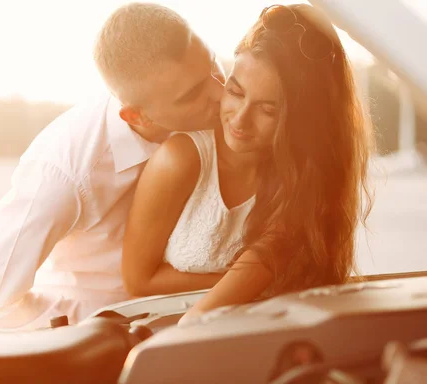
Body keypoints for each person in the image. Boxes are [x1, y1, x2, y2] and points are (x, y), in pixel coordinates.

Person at [0, 2, 226, 331]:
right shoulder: (62, 174)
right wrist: (87, 328)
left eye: (213, 66)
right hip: (112, 335)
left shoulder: (218, 109)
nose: (221, 91)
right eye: (194, 93)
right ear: (137, 116)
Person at [121, 4, 374, 322]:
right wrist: (256, 283)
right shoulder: (180, 159)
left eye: (268, 110)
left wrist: (255, 282)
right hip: (175, 330)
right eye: (235, 92)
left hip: (261, 332)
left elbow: (265, 263)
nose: (240, 120)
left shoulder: (303, 178)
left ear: (302, 121)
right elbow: (138, 281)